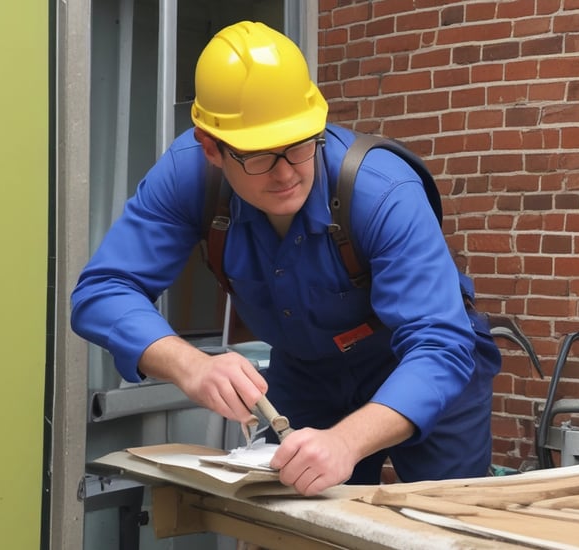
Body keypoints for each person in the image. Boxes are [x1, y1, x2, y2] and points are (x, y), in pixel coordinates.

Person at [71, 20, 501, 496]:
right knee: (291, 517)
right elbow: (102, 292)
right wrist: (190, 364)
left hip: (421, 361)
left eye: (298, 145)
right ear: (211, 147)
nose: (285, 174)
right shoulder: (187, 178)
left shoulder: (384, 192)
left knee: (444, 520)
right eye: (258, 155)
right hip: (307, 369)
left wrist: (347, 441)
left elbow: (439, 343)